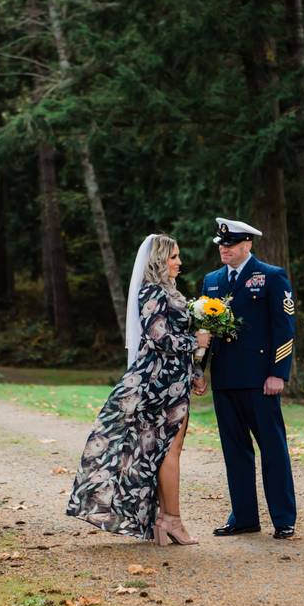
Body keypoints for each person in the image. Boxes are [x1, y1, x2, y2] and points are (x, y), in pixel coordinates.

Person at [66, 234, 210, 546]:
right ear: (159, 260)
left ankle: (163, 519)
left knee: (168, 448)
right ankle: (172, 520)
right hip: (158, 383)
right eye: (173, 257)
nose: (179, 262)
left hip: (175, 380)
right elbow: (157, 338)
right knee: (169, 449)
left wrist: (196, 370)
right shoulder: (152, 292)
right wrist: (194, 343)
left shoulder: (170, 292)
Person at [198, 217, 298, 539]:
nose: (224, 250)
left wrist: (277, 373)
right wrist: (199, 371)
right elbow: (206, 333)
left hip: (260, 381)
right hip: (225, 380)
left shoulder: (270, 277)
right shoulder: (212, 281)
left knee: (272, 450)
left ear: (247, 245)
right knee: (235, 451)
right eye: (221, 245)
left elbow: (285, 328)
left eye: (230, 245)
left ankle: (283, 519)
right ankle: (243, 517)